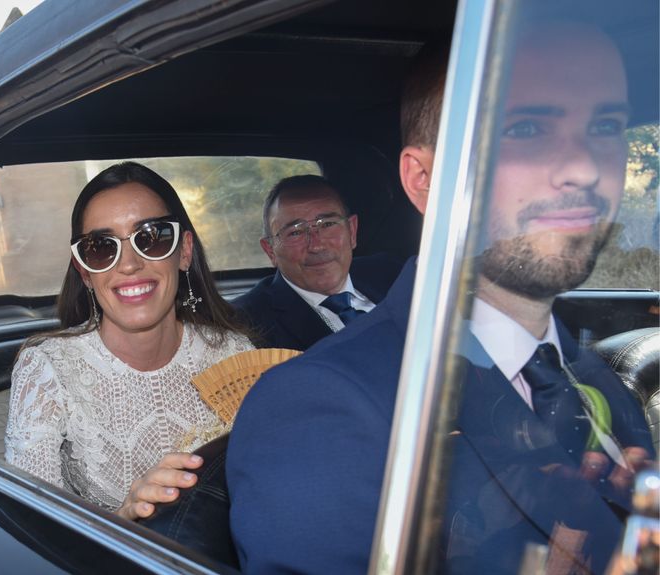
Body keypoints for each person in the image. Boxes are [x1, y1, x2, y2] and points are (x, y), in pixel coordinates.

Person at [227, 19, 655, 574]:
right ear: (425, 178)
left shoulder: (592, 375)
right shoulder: (316, 408)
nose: (583, 166)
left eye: (605, 126)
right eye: (525, 129)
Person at [5, 161, 253, 521]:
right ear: (85, 272)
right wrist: (124, 518)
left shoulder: (235, 355)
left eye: (151, 237)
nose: (129, 264)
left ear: (184, 251)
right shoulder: (48, 371)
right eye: (101, 247)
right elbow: (35, 531)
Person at [233, 176, 402, 350]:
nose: (317, 246)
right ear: (270, 250)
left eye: (328, 224)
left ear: (352, 231)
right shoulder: (246, 327)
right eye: (295, 232)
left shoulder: (394, 274)